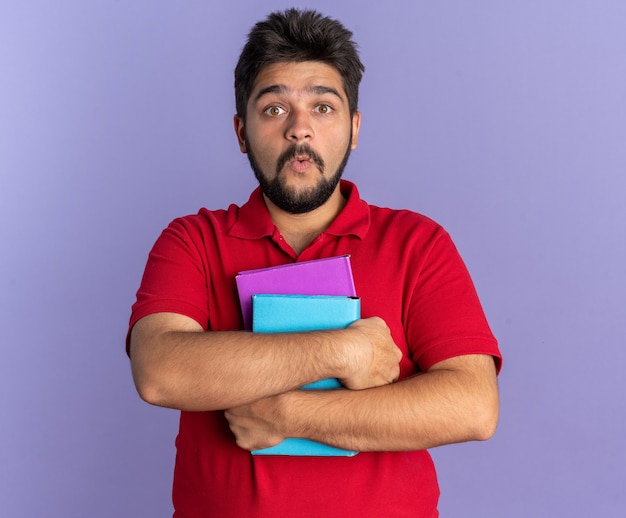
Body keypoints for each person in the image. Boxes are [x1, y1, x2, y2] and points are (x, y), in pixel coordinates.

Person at [127, 8, 502, 517]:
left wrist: (291, 414)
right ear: (241, 132)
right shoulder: (192, 240)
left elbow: (474, 407)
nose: (299, 131)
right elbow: (160, 371)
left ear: (353, 129)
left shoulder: (418, 243)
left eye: (323, 108)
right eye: (275, 109)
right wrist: (342, 352)